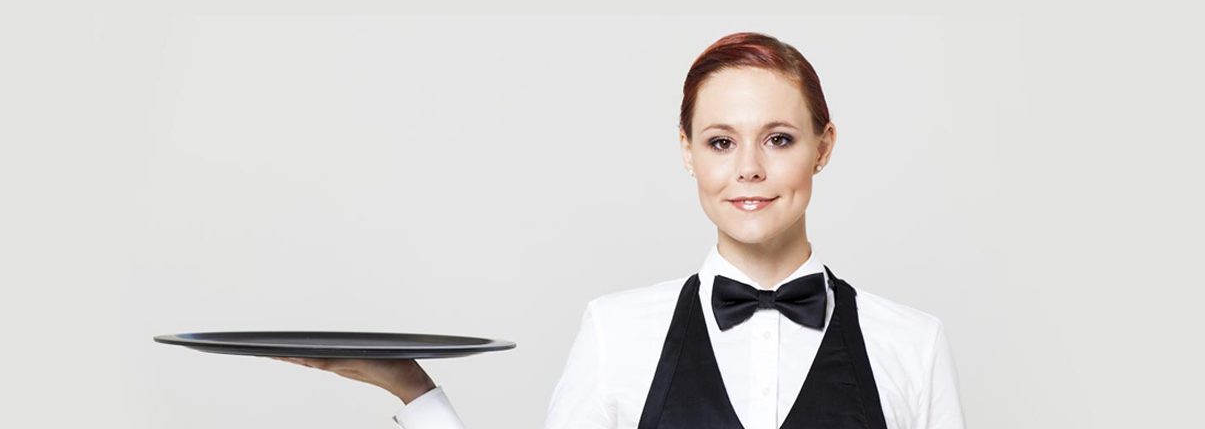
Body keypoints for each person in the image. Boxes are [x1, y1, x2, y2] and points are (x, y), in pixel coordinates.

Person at [271, 32, 967, 429]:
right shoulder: (616, 331)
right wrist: (416, 394)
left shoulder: (911, 343)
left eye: (779, 138)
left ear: (824, 146)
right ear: (687, 151)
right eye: (722, 142)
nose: (749, 169)